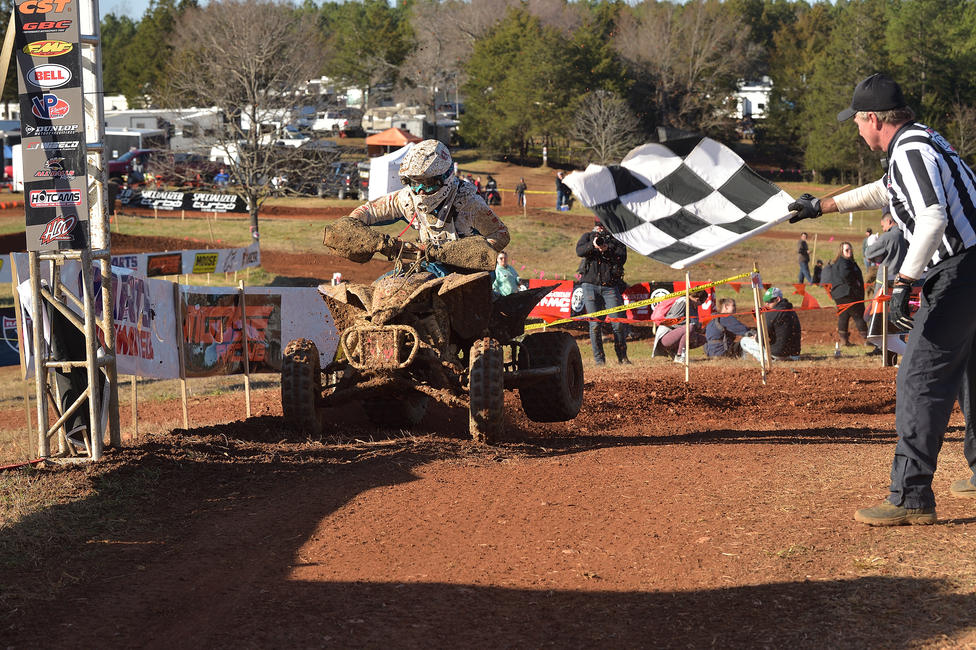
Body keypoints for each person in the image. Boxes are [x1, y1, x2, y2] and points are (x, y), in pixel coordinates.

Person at [787, 73, 976, 525]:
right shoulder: (923, 141)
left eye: (856, 120)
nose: (854, 127)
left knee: (918, 380)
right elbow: (885, 190)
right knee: (971, 371)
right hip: (973, 265)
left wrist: (904, 281)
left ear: (873, 118)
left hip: (958, 272)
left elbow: (930, 216)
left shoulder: (909, 151)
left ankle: (910, 497)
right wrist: (822, 206)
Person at [333, 140, 510, 273]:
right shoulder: (407, 200)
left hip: (469, 274)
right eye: (414, 183)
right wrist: (355, 226)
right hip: (428, 268)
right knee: (385, 285)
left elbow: (501, 234)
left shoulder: (469, 203)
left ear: (444, 177)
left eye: (426, 183)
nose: (420, 191)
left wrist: (460, 253)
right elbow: (368, 210)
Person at [576, 219, 629, 365]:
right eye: (598, 226)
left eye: (603, 226)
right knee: (594, 325)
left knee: (617, 322)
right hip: (589, 285)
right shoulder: (588, 236)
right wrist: (593, 246)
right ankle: (599, 360)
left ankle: (622, 357)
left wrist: (607, 248)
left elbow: (622, 257)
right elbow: (579, 251)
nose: (600, 229)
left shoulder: (616, 239)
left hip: (610, 286)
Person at [821, 241, 868, 347]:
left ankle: (844, 341)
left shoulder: (842, 262)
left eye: (850, 249)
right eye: (847, 250)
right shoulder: (844, 262)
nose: (849, 252)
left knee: (844, 316)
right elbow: (845, 275)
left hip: (840, 294)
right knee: (858, 315)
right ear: (841, 252)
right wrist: (855, 284)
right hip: (848, 294)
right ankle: (867, 340)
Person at [657, 290, 709, 363]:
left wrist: (699, 327)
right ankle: (679, 356)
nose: (700, 305)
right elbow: (672, 321)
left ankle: (674, 352)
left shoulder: (693, 305)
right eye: (702, 302)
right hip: (666, 336)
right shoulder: (683, 302)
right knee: (690, 327)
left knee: (702, 339)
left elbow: (693, 322)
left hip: (678, 334)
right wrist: (692, 324)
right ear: (697, 299)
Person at [705, 298, 762, 362]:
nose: (735, 308)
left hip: (711, 353)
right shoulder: (726, 317)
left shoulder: (713, 319)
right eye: (733, 305)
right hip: (722, 352)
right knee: (745, 341)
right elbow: (743, 330)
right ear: (726, 307)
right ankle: (761, 360)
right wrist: (756, 332)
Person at [865, 208, 908, 286]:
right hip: (902, 279)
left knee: (878, 298)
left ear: (889, 221)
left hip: (885, 280)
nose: (883, 229)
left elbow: (868, 253)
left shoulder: (887, 236)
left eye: (883, 226)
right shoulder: (906, 235)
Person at [761, 287, 801, 361]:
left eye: (769, 301)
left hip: (779, 355)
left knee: (745, 341)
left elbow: (761, 335)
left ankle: (762, 359)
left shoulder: (773, 312)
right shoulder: (791, 310)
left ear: (778, 299)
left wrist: (755, 337)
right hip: (795, 355)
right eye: (765, 301)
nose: (766, 304)